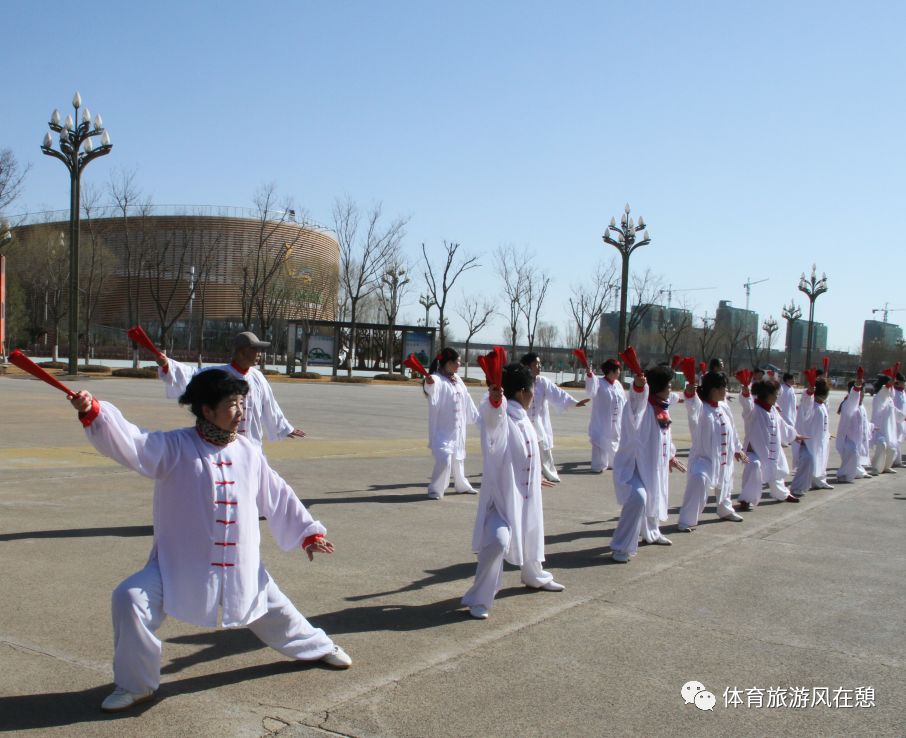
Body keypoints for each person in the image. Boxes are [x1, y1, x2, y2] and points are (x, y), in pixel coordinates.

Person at [67, 370, 350, 713]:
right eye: (232, 404)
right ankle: (135, 685)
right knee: (129, 598)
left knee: (277, 614)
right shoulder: (173, 447)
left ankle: (319, 647)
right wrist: (94, 412)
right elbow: (133, 442)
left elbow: (277, 493)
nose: (241, 412)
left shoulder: (247, 451)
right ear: (206, 409)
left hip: (240, 564)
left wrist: (309, 533)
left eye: (242, 403)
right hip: (179, 565)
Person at [462, 363, 564, 619]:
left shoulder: (524, 419)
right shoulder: (504, 415)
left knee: (532, 533)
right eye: (532, 391)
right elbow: (492, 422)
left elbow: (524, 454)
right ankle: (480, 597)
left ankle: (534, 575)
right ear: (521, 393)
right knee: (497, 540)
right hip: (502, 499)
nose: (534, 397)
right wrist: (495, 403)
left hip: (526, 493)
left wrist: (532, 476)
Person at [155, 331, 305, 447]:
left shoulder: (258, 377)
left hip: (252, 445)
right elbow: (192, 375)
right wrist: (167, 365)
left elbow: (270, 405)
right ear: (242, 351)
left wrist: (285, 427)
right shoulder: (219, 375)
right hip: (223, 445)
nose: (260, 354)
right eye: (255, 349)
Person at [610, 365, 686, 563]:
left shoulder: (662, 407)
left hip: (653, 464)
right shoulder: (641, 406)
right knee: (639, 498)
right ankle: (620, 546)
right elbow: (636, 400)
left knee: (654, 495)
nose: (670, 389)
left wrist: (670, 455)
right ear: (658, 387)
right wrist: (637, 386)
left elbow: (664, 436)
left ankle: (651, 533)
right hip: (632, 466)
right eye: (668, 385)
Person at [677, 371, 747, 531]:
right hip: (704, 458)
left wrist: (737, 448)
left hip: (723, 456)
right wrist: (689, 393)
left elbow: (732, 428)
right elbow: (692, 406)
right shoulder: (702, 408)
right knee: (699, 481)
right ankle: (686, 520)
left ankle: (725, 510)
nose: (725, 391)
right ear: (714, 390)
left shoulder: (724, 407)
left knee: (726, 482)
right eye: (723, 387)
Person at [520, 352, 589, 483]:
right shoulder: (520, 381)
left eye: (539, 363)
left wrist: (574, 402)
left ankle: (549, 472)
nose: (539, 366)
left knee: (544, 448)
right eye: (536, 364)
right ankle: (526, 475)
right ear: (528, 367)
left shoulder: (542, 382)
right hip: (522, 422)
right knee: (524, 450)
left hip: (537, 421)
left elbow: (558, 394)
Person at [423, 347, 479, 499]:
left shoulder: (457, 379)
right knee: (445, 460)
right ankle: (435, 489)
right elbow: (432, 385)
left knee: (458, 459)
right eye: (457, 361)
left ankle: (462, 485)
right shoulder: (437, 378)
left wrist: (478, 418)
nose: (459, 364)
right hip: (443, 431)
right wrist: (429, 383)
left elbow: (467, 398)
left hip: (458, 429)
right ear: (448, 363)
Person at [737, 378, 799, 510]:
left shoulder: (772, 410)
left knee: (776, 470)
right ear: (768, 395)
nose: (777, 396)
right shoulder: (754, 410)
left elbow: (783, 426)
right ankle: (746, 499)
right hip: (753, 451)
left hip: (772, 449)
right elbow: (746, 405)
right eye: (776, 393)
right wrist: (746, 394)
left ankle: (782, 494)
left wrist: (795, 436)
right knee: (755, 466)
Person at [790, 376, 833, 494]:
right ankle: (797, 487)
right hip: (807, 441)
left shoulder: (822, 405)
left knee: (821, 460)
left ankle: (819, 481)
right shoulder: (810, 404)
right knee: (808, 461)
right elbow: (806, 401)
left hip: (820, 440)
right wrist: (809, 392)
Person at [585, 359, 626, 473]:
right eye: (618, 370)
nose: (619, 372)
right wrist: (589, 376)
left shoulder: (618, 384)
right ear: (611, 371)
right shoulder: (599, 383)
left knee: (615, 440)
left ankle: (613, 462)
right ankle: (599, 465)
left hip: (616, 420)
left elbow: (624, 401)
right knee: (601, 441)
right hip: (602, 420)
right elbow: (590, 390)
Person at [836, 376, 871, 482]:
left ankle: (857, 471)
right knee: (852, 452)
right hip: (848, 438)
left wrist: (872, 427)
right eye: (861, 392)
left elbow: (864, 422)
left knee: (857, 454)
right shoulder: (849, 404)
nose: (863, 394)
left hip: (857, 437)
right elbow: (853, 401)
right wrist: (857, 387)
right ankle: (843, 474)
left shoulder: (861, 406)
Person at [869, 373, 903, 475]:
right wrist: (888, 385)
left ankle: (887, 466)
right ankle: (876, 467)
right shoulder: (878, 397)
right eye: (889, 385)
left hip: (890, 429)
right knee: (882, 445)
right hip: (880, 428)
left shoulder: (889, 399)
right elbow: (882, 395)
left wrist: (903, 416)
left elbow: (895, 411)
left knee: (892, 448)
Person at [892, 373, 906, 467]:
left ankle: (897, 460)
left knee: (900, 439)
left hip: (903, 420)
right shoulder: (893, 393)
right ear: (897, 383)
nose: (904, 384)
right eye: (903, 382)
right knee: (896, 439)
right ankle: (894, 460)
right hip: (896, 420)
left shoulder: (903, 392)